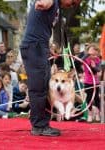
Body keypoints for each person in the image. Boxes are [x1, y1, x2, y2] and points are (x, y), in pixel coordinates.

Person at [20, 0, 81, 136]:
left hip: (39, 46)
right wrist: (44, 2)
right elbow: (45, 2)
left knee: (46, 87)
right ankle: (39, 126)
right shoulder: (52, 2)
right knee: (39, 88)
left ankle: (43, 124)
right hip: (34, 46)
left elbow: (41, 27)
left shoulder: (57, 6)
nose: (72, 5)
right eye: (73, 2)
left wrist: (47, 48)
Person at [83, 43, 101, 122]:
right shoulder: (86, 59)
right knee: (89, 98)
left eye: (95, 54)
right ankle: (90, 114)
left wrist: (94, 67)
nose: (93, 56)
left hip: (95, 83)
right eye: (91, 54)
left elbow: (98, 70)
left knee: (96, 98)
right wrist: (88, 54)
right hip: (88, 82)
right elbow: (79, 60)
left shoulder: (97, 60)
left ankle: (97, 113)